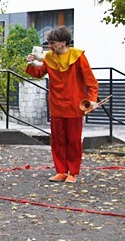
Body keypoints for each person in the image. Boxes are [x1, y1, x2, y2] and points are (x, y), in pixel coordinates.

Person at [25, 26, 98, 184]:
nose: (50, 46)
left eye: (53, 43)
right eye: (49, 43)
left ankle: (73, 172)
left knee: (73, 140)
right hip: (56, 105)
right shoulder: (50, 57)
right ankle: (61, 171)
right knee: (57, 141)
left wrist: (92, 99)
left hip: (74, 105)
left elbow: (91, 81)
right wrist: (31, 63)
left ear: (64, 42)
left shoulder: (78, 56)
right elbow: (38, 73)